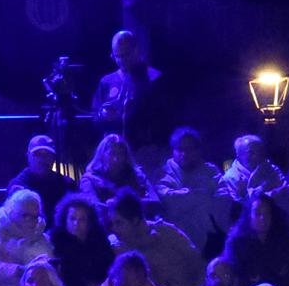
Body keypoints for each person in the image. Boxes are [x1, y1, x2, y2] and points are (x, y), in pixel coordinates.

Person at [108, 188, 205, 286]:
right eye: (112, 223)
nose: (114, 229)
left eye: (119, 223)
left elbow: (196, 261)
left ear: (135, 220)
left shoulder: (167, 232)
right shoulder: (122, 251)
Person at [152, 126, 231, 253]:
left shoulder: (210, 171)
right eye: (180, 149)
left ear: (197, 150)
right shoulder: (163, 173)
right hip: (177, 238)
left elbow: (224, 197)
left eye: (189, 149)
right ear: (173, 150)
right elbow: (168, 201)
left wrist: (187, 198)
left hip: (213, 236)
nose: (184, 154)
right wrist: (204, 195)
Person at [90, 29, 168, 158]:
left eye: (127, 55)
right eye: (118, 56)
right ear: (112, 55)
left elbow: (164, 118)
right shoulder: (106, 81)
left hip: (145, 151)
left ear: (137, 50)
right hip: (114, 154)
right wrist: (103, 115)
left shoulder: (154, 78)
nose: (123, 60)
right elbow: (94, 115)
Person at [223, 190, 289, 286]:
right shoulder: (236, 243)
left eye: (267, 213)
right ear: (249, 216)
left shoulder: (282, 240)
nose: (263, 218)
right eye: (258, 213)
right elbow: (236, 278)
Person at [50, 192, 118, 286]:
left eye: (82, 220)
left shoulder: (100, 242)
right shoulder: (56, 244)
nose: (76, 224)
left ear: (90, 222)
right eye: (72, 219)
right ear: (65, 220)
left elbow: (110, 268)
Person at [10, 132, 79, 221]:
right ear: (28, 156)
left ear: (54, 158)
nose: (43, 159)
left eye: (47, 154)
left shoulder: (67, 184)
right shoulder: (18, 185)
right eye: (38, 154)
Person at [220, 133, 288, 209]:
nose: (257, 156)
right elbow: (239, 209)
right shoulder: (230, 178)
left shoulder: (270, 168)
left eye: (260, 151)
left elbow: (286, 193)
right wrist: (261, 191)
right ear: (238, 154)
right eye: (251, 153)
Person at [81, 131, 150, 205]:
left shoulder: (137, 176)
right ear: (102, 155)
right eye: (111, 154)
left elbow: (154, 202)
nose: (116, 159)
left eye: (120, 154)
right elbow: (93, 206)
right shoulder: (89, 180)